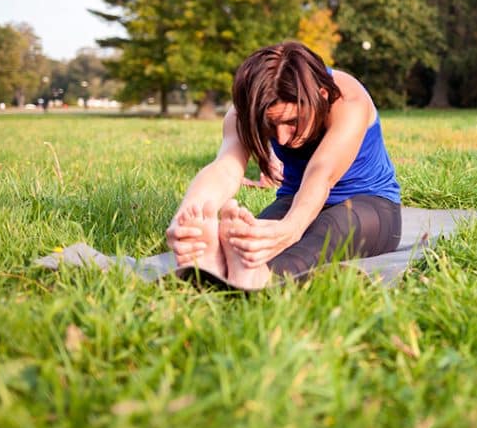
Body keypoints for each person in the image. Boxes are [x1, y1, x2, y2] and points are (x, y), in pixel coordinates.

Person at [165, 41, 402, 289]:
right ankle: (218, 263)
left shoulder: (348, 101)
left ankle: (262, 276)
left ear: (320, 97)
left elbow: (321, 174)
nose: (281, 139)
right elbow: (225, 167)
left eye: (292, 121)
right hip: (294, 198)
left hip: (369, 205)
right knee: (249, 237)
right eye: (271, 125)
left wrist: (290, 229)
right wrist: (189, 214)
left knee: (329, 228)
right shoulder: (252, 105)